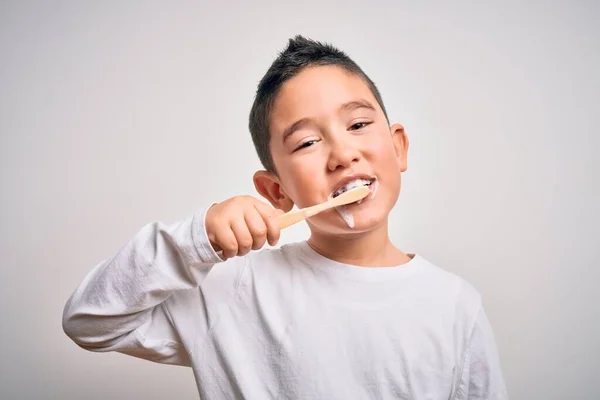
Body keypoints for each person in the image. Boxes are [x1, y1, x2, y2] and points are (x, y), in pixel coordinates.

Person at [63, 35, 508, 399]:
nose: (343, 154)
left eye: (357, 125)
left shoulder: (454, 306)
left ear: (398, 148)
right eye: (307, 143)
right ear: (276, 190)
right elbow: (90, 321)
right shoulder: (231, 289)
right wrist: (195, 239)